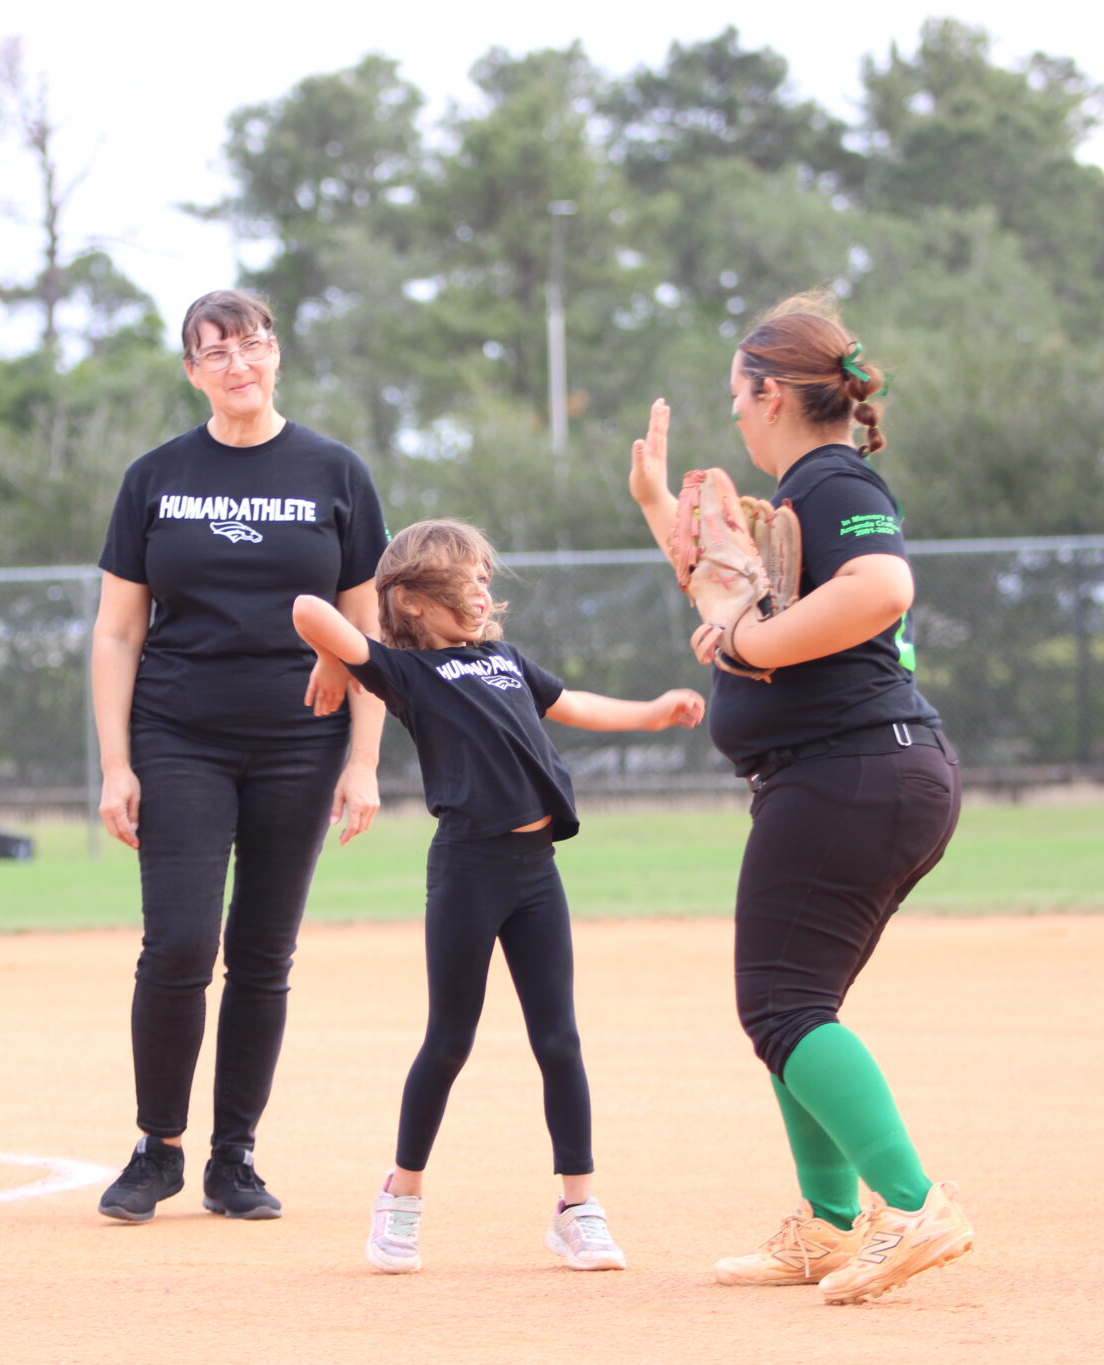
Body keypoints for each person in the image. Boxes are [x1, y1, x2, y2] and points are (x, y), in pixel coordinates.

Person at [623, 293, 973, 1304]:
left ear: (771, 392)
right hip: (853, 775)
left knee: (780, 1006)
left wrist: (748, 644)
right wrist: (656, 506)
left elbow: (878, 588)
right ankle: (826, 1226)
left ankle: (910, 1206)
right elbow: (722, 598)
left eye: (736, 395)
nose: (732, 415)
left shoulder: (830, 479)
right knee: (791, 1007)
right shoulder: (803, 493)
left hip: (851, 772)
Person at [292, 520, 706, 1275]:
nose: (484, 589)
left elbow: (571, 702)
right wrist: (336, 659)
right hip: (468, 870)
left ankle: (577, 1207)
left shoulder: (505, 660)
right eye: (465, 578)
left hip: (535, 870)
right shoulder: (405, 673)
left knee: (560, 1041)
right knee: (449, 1040)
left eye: (485, 577)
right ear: (414, 601)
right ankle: (402, 1196)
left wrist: (652, 712)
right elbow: (306, 609)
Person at [90, 289, 389, 1222]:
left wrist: (365, 760)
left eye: (251, 343)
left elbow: (369, 631)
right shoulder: (156, 476)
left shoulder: (335, 472)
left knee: (263, 953)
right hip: (178, 734)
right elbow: (116, 632)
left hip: (301, 742)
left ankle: (234, 1156)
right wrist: (115, 761)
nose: (236, 364)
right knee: (178, 941)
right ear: (192, 372)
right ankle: (158, 1146)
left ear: (276, 354)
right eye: (213, 352)